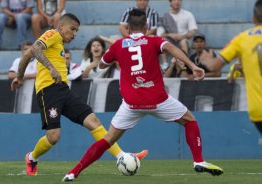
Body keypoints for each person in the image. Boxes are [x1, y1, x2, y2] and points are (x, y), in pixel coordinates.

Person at [62, 9, 223, 182]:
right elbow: (170, 47)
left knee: (108, 139)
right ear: (146, 26)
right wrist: (192, 65)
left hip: (132, 103)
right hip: (158, 100)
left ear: (128, 27)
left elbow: (101, 65)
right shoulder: (153, 41)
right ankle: (199, 161)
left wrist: (117, 54)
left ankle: (74, 172)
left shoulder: (118, 44)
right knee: (189, 120)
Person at [10, 13, 148, 176]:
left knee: (93, 121)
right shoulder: (52, 34)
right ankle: (32, 157)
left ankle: (122, 156)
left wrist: (20, 77)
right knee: (53, 137)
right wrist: (48, 69)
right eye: (72, 29)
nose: (74, 34)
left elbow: (28, 55)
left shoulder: (59, 43)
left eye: (77, 31)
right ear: (61, 26)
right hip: (48, 91)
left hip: (63, 90)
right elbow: (32, 50)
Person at [200, 0, 262, 135]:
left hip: (258, 110)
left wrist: (206, 59)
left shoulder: (242, 39)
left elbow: (214, 65)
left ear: (253, 19)